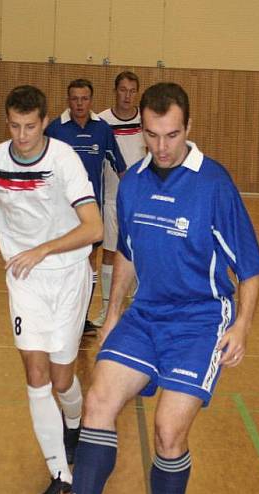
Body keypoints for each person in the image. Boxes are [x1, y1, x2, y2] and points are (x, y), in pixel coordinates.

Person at [41, 83, 259, 494]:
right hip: (146, 314)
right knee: (100, 402)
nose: (162, 146)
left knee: (168, 430)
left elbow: (249, 266)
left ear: (189, 128)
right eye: (152, 135)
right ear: (140, 129)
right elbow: (126, 252)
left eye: (172, 134)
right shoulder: (136, 181)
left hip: (201, 321)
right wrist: (114, 311)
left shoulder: (213, 184)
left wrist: (243, 326)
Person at [0, 85, 103, 494]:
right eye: (14, 125)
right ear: (6, 121)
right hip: (23, 278)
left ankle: (77, 422)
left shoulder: (64, 160)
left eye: (30, 126)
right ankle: (60, 475)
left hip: (67, 275)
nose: (22, 135)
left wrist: (44, 248)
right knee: (35, 374)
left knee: (63, 380)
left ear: (45, 121)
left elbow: (94, 227)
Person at [45, 79, 125, 338]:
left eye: (84, 98)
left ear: (91, 100)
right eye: (75, 98)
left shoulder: (102, 130)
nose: (79, 104)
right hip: (59, 215)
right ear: (68, 100)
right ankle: (58, 316)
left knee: (88, 264)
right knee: (60, 264)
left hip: (91, 215)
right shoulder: (55, 129)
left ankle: (80, 319)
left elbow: (120, 167)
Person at [93, 71, 147, 326]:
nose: (127, 95)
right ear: (115, 91)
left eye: (132, 90)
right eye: (123, 90)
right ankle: (106, 309)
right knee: (110, 253)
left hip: (143, 201)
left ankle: (137, 309)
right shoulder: (102, 122)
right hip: (112, 199)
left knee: (141, 253)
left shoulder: (146, 119)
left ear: (137, 92)